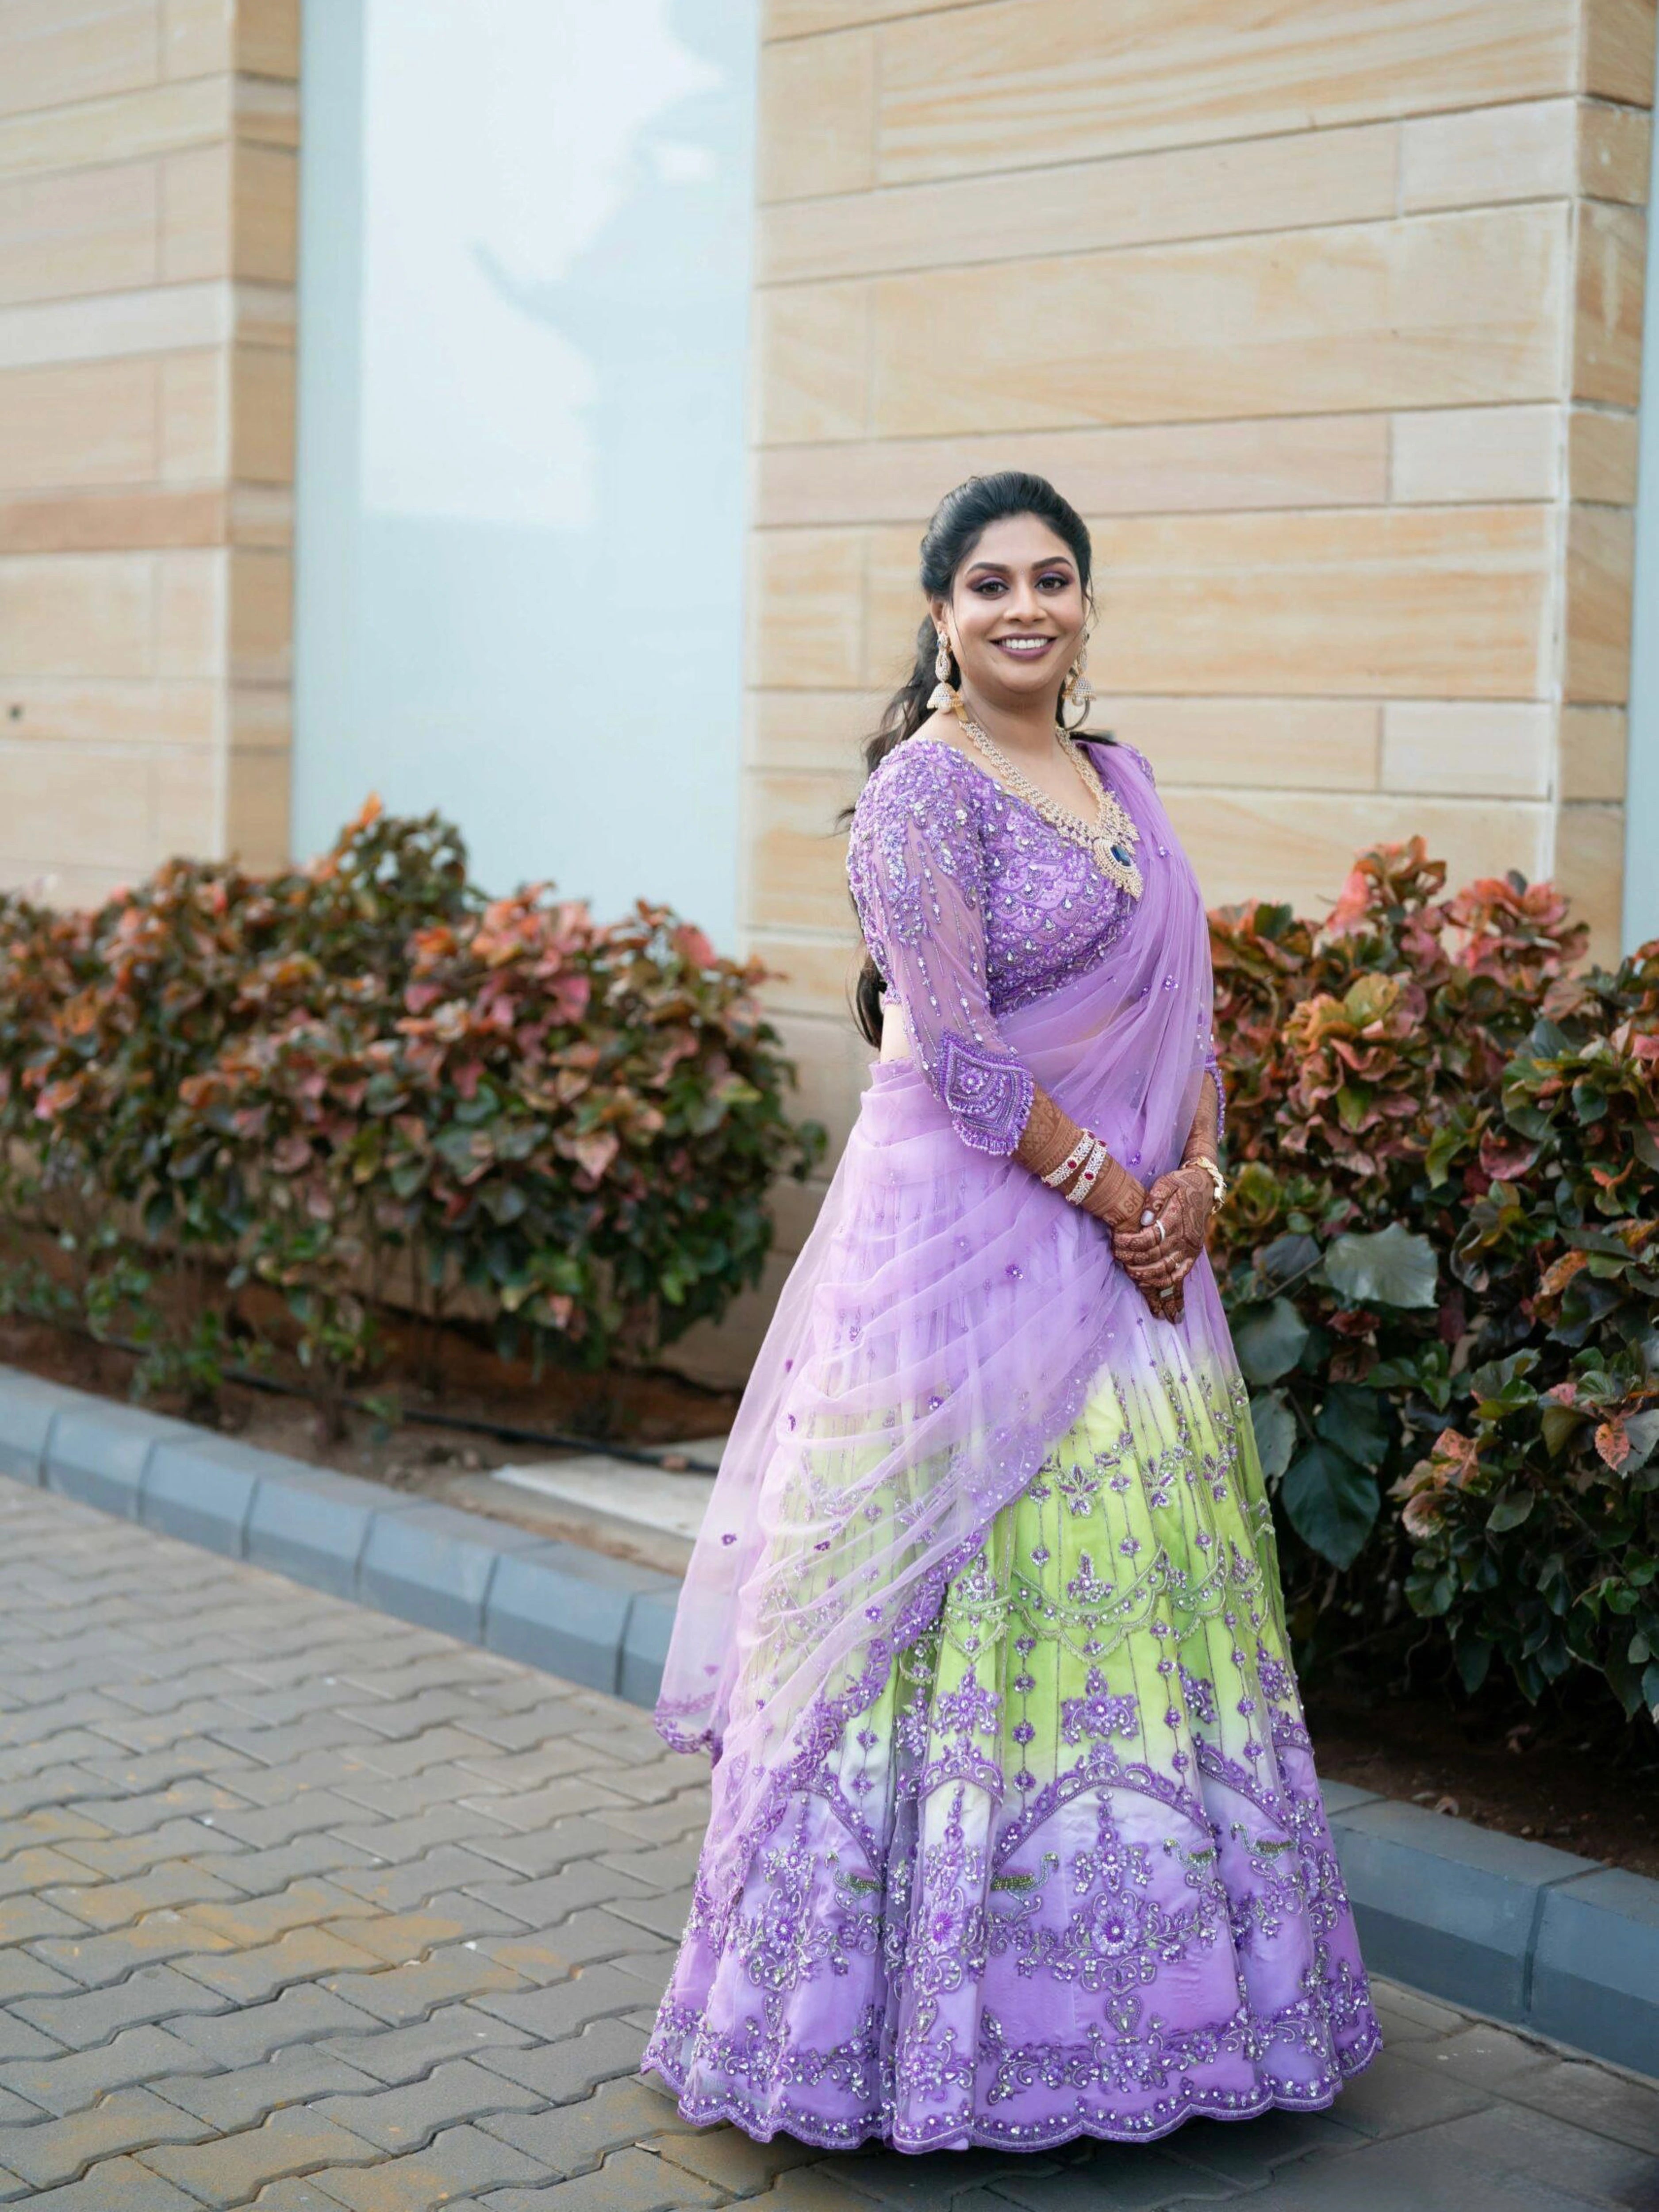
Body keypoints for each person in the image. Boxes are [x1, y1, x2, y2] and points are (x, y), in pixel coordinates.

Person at [642, 472, 1381, 2152]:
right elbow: (965, 1057)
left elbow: (1190, 1009)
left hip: (1139, 1267)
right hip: (972, 1258)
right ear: (941, 616)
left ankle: (1162, 2019)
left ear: (1087, 604)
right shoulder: (921, 794)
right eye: (990, 585)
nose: (1025, 608)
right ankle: (911, 2039)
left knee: (1137, 1614)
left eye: (1054, 579)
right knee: (966, 1596)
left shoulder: (1120, 776)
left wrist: (1202, 1177)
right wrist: (1127, 1206)